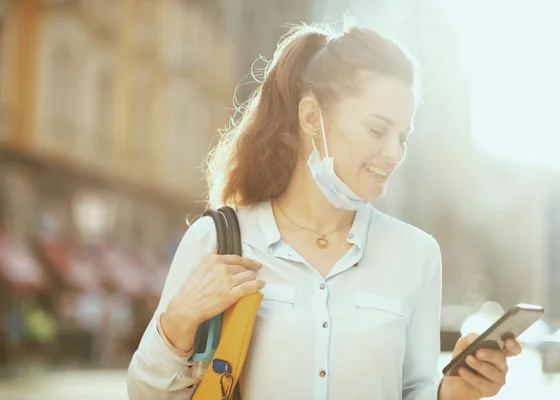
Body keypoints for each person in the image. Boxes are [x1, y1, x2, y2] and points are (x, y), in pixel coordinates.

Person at [127, 22, 522, 400]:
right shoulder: (219, 241)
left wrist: (453, 392)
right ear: (312, 117)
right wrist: (177, 322)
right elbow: (146, 395)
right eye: (377, 130)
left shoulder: (417, 255)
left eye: (403, 137)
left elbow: (413, 389)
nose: (395, 153)